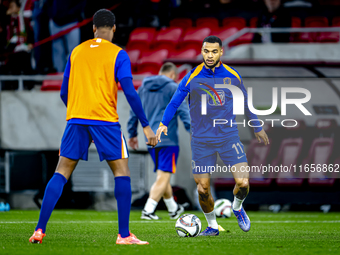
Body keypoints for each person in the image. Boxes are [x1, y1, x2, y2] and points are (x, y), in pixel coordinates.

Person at [29, 9, 157, 245]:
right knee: (121, 172)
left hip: (76, 120)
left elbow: (63, 92)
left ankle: (39, 230)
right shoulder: (119, 54)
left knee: (61, 172)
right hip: (105, 120)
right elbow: (129, 91)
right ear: (115, 28)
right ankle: (124, 235)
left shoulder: (76, 52)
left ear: (93, 28)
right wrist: (146, 126)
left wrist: (77, 111)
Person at [156, 36, 269, 236]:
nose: (209, 55)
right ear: (202, 51)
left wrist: (257, 126)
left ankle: (237, 207)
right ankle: (212, 226)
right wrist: (164, 122)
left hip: (228, 137)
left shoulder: (233, 75)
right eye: (206, 51)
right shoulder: (192, 76)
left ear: (221, 52)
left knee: (243, 183)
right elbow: (175, 102)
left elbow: (245, 103)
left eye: (214, 51)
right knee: (203, 188)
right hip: (201, 141)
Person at [127, 62, 191, 220]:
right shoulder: (173, 87)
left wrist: (132, 133)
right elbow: (183, 110)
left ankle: (173, 209)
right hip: (168, 140)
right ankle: (148, 211)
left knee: (163, 176)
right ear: (173, 75)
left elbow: (135, 110)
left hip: (150, 140)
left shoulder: (143, 88)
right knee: (163, 176)